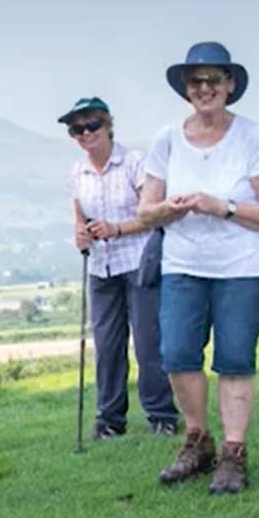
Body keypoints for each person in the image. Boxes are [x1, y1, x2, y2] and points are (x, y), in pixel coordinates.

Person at [137, 43, 259, 493]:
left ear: (230, 85)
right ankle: (197, 439)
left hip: (241, 267)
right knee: (179, 354)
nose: (205, 89)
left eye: (214, 80)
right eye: (196, 81)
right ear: (186, 90)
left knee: (235, 359)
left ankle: (234, 454)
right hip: (183, 265)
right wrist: (171, 207)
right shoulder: (166, 139)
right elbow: (145, 212)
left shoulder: (252, 137)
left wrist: (220, 206)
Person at [61, 97, 177, 441]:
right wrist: (82, 235)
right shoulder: (76, 173)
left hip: (139, 262)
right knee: (108, 345)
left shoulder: (134, 163)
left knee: (147, 342)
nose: (85, 133)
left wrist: (117, 229)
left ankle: (161, 415)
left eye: (92, 125)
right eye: (76, 129)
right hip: (100, 267)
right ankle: (110, 420)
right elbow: (79, 217)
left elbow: (155, 212)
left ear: (108, 125)